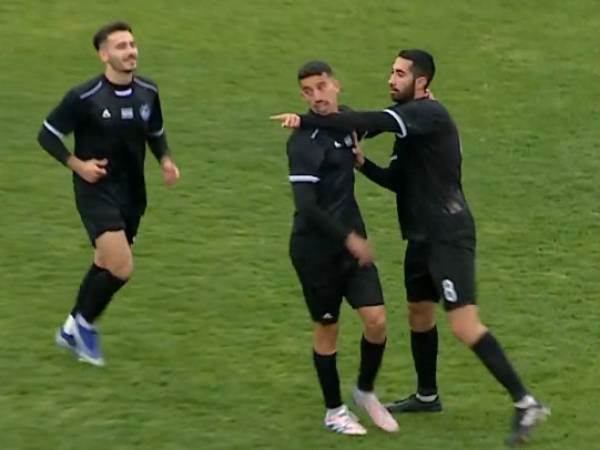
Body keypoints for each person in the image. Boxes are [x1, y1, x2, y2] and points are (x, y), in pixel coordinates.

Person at [271, 49, 549, 446]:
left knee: (463, 324)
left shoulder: (427, 114)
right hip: (419, 236)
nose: (391, 79)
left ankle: (526, 402)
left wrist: (307, 119)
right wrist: (363, 164)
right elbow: (398, 181)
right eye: (392, 71)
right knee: (419, 314)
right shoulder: (410, 124)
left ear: (421, 82)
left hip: (447, 234)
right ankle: (427, 395)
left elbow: (368, 121)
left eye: (400, 74)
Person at [37, 21, 180, 366]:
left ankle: (70, 328)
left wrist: (165, 159)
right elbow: (47, 134)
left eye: (132, 44)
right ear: (104, 55)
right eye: (121, 46)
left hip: (133, 192)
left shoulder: (148, 90)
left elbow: (155, 130)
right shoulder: (84, 97)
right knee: (121, 266)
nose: (130, 51)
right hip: (96, 190)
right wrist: (78, 165)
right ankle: (85, 327)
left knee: (103, 263)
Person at [281, 60, 398, 435]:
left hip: (352, 247)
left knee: (376, 321)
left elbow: (381, 122)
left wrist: (422, 103)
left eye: (321, 87)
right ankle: (334, 411)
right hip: (316, 252)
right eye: (308, 92)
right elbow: (307, 207)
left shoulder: (347, 123)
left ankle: (364, 391)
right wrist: (349, 239)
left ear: (336, 85)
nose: (316, 96)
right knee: (327, 330)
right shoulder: (302, 144)